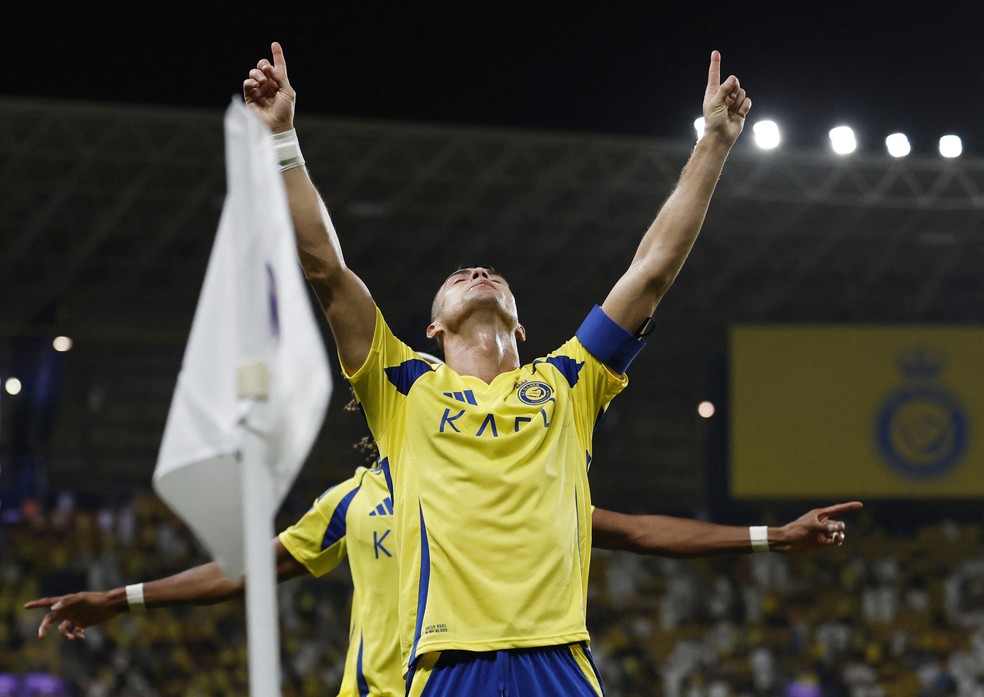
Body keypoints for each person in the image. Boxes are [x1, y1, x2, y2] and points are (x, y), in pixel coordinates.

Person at [233, 39, 761, 696]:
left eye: (491, 275)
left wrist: (713, 141)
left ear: (519, 323)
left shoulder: (569, 380)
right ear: (432, 328)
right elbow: (327, 270)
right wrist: (283, 139)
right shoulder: (402, 387)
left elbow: (650, 271)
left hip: (558, 659)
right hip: (448, 664)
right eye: (459, 276)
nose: (477, 272)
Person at [24, 456, 860, 697]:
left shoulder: (504, 481)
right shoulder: (352, 497)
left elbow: (633, 528)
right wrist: (122, 598)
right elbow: (247, 568)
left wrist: (766, 535)